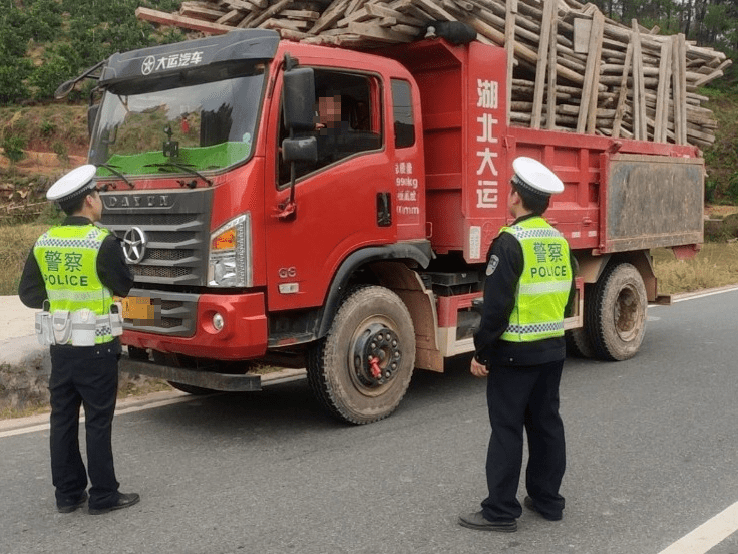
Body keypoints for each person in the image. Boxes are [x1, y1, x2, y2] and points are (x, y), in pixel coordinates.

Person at [458, 157, 576, 532]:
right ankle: (547, 501)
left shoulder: (509, 243)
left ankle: (500, 511)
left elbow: (495, 309)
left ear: (515, 197)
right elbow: (567, 297)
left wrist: (481, 352)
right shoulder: (558, 242)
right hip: (553, 349)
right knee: (546, 425)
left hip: (513, 352)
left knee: (507, 428)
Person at [18, 165, 139, 515]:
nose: (99, 201)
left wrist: (60, 297)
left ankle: (68, 495)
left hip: (61, 346)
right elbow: (124, 286)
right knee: (98, 421)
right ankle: (103, 495)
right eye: (97, 195)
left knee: (62, 419)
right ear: (89, 200)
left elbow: (28, 294)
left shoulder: (44, 242)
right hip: (98, 347)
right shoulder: (103, 242)